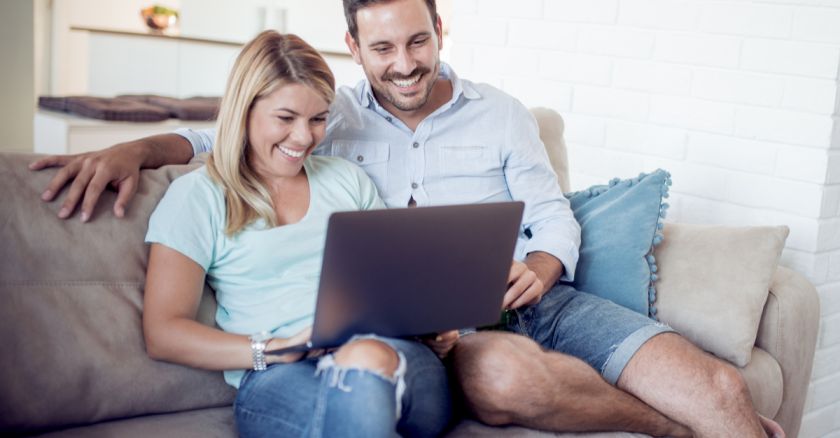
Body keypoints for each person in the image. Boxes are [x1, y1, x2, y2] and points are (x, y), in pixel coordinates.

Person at [31, 0, 785, 436]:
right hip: (398, 344)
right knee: (462, 379)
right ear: (355, 47)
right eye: (383, 46)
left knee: (721, 392)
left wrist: (542, 266)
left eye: (418, 40)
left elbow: (552, 211)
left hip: (529, 295)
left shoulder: (491, 117)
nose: (404, 62)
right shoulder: (324, 127)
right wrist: (135, 146)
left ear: (440, 31)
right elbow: (226, 139)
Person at [141, 30, 453, 438]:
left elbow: (395, 284)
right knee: (362, 374)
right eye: (286, 118)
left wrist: (426, 324)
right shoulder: (197, 197)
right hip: (277, 376)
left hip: (395, 357)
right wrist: (272, 349)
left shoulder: (347, 180)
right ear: (244, 110)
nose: (304, 137)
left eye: (318, 119)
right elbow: (163, 332)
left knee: (368, 355)